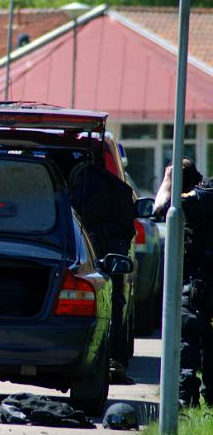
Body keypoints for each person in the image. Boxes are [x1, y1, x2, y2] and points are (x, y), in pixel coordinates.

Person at [69, 157, 136, 383]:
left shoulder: (80, 187)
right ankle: (113, 360)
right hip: (116, 247)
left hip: (93, 243)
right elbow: (130, 226)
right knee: (114, 301)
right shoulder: (117, 188)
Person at [154, 158, 213, 407]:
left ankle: (186, 401)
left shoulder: (199, 198)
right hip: (203, 281)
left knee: (187, 340)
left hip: (198, 282)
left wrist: (168, 179)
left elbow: (160, 209)